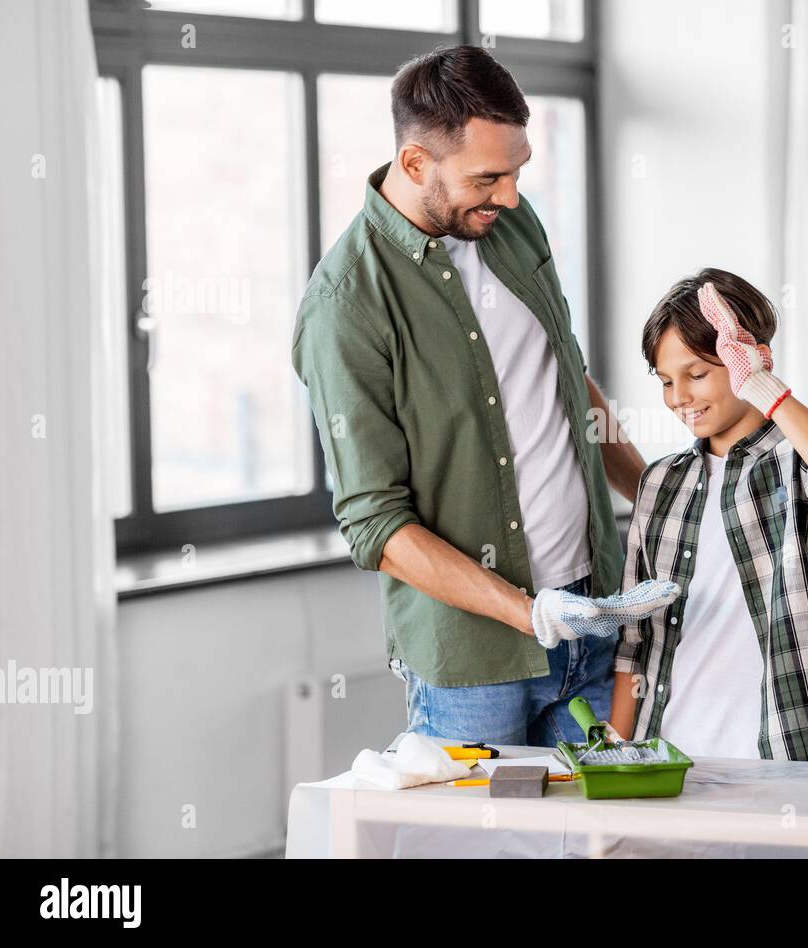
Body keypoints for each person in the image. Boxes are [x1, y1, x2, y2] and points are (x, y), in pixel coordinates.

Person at [292, 45, 675, 748]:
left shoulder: (510, 224)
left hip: (593, 621)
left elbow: (565, 378)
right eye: (489, 177)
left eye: (518, 171)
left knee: (603, 845)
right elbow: (376, 526)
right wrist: (527, 613)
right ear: (415, 164)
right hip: (472, 669)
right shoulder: (345, 305)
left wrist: (659, 498)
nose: (510, 196)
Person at [610, 269, 808, 762]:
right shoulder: (659, 484)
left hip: (784, 752)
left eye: (698, 374)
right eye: (667, 381)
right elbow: (637, 636)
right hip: (668, 754)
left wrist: (765, 389)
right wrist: (616, 745)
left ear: (752, 360)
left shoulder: (799, 460)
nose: (680, 398)